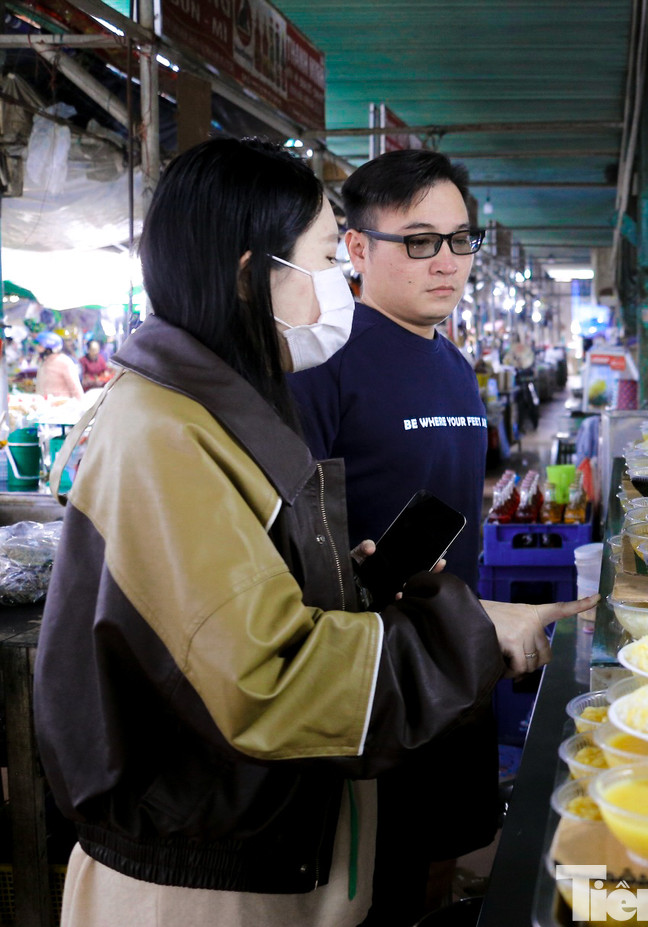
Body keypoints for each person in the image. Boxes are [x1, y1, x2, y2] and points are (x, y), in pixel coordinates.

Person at [32, 138, 589, 927]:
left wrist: (346, 582)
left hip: (266, 835)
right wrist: (466, 634)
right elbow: (270, 680)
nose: (337, 288)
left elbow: (237, 606)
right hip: (200, 875)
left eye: (460, 240)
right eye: (327, 258)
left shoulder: (217, 411)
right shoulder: (166, 434)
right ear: (249, 275)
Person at [290, 148, 585, 925]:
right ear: (357, 247)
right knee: (377, 879)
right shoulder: (322, 363)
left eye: (460, 240)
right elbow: (291, 539)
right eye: (420, 241)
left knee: (444, 852)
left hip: (458, 652)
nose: (447, 261)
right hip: (376, 676)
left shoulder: (451, 362)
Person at [34, 332, 82, 399]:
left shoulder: (64, 361)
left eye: (40, 345)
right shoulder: (43, 362)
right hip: (44, 404)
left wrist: (80, 403)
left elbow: (75, 388)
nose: (37, 348)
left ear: (49, 348)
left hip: (63, 404)